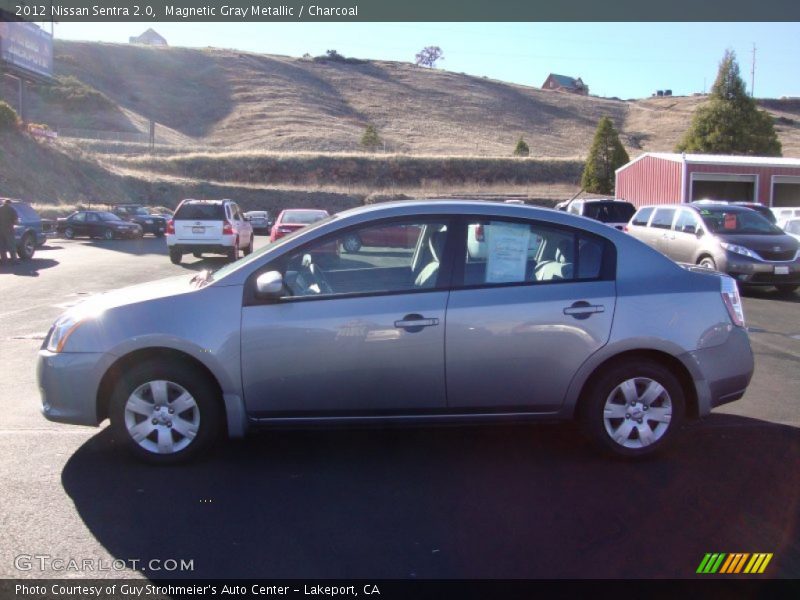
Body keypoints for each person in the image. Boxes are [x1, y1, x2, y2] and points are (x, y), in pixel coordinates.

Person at [0, 198, 19, 264]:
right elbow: (16, 221)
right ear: (10, 203)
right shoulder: (12, 209)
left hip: (0, 230)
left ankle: (4, 261)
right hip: (9, 229)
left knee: (2, 246)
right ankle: (14, 260)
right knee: (11, 245)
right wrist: (15, 224)